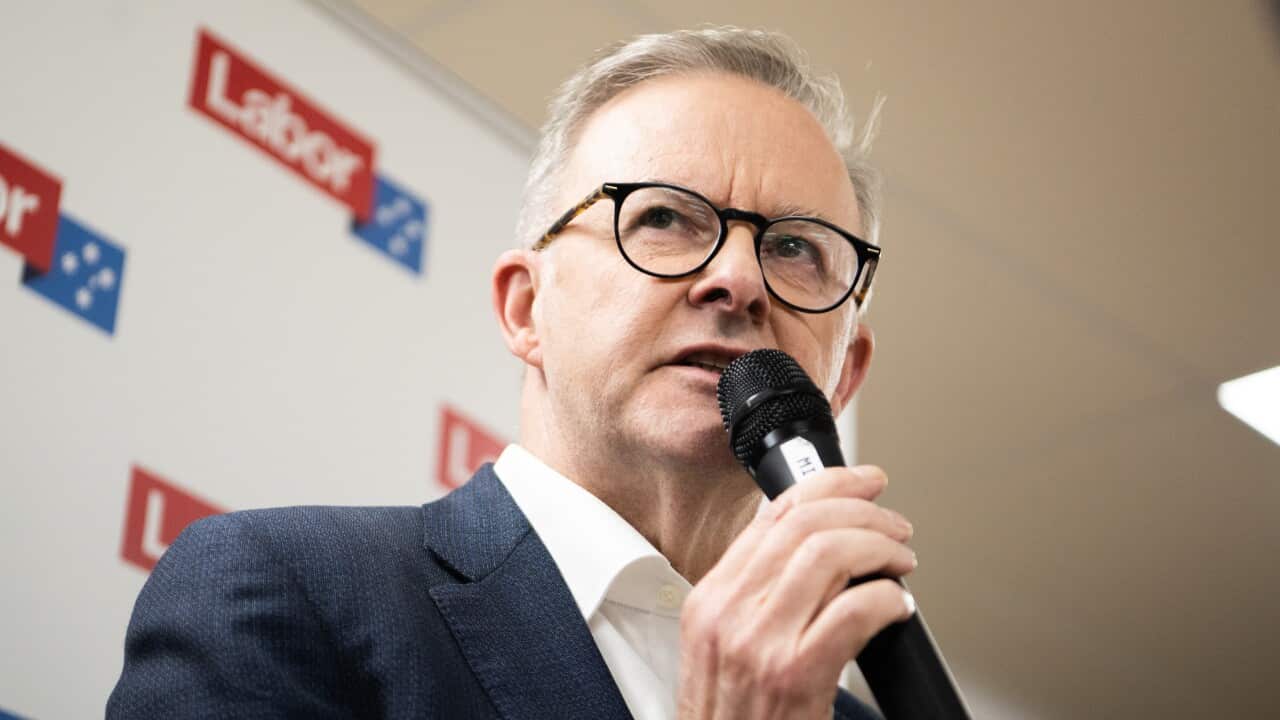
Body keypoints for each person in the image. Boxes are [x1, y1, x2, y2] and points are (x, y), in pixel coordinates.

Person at [108, 27, 916, 720]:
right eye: (664, 218)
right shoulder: (282, 593)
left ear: (843, 374)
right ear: (525, 309)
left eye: (794, 248)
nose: (738, 279)